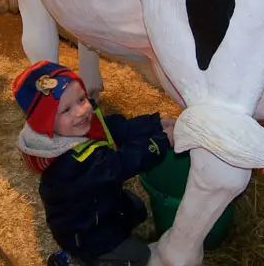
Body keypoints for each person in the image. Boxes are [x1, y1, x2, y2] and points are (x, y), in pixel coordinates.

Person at [12, 60, 176, 266]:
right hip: (85, 233)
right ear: (46, 122)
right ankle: (76, 259)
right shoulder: (71, 161)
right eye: (66, 110)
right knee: (140, 257)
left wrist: (154, 125)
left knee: (137, 209)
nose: (80, 111)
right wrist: (159, 142)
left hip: (96, 206)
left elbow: (115, 129)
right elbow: (120, 164)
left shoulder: (73, 128)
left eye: (81, 99)